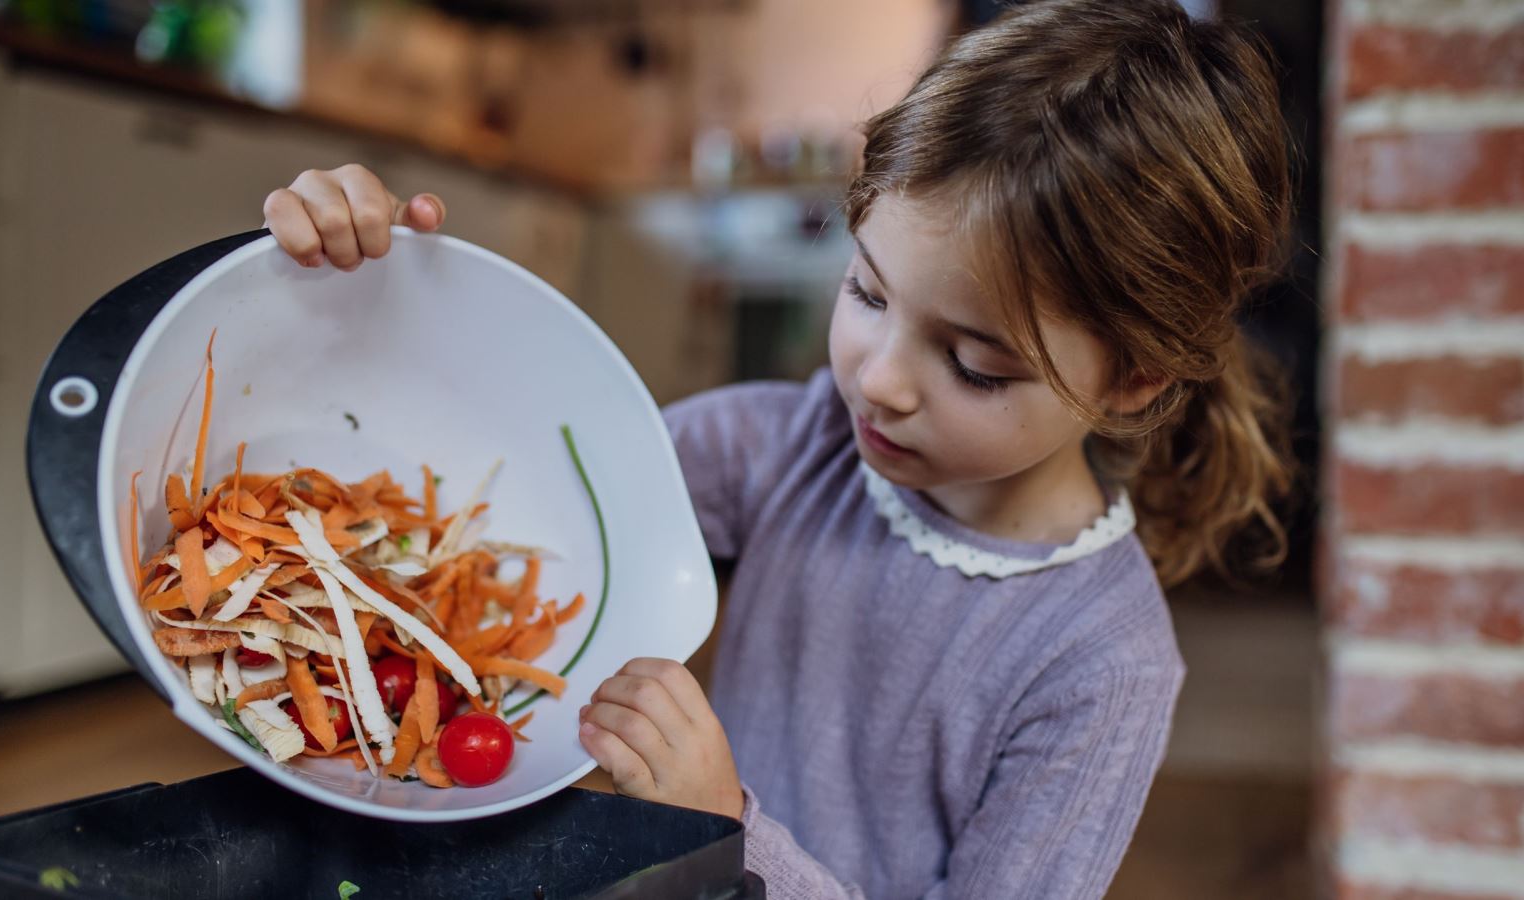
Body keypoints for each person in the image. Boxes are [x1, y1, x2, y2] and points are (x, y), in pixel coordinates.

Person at [259, 1, 1294, 895]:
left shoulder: (1098, 665)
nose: (878, 379)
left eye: (975, 365)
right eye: (866, 293)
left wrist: (729, 826)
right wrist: (385, 289)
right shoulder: (792, 442)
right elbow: (523, 471)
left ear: (1133, 378)